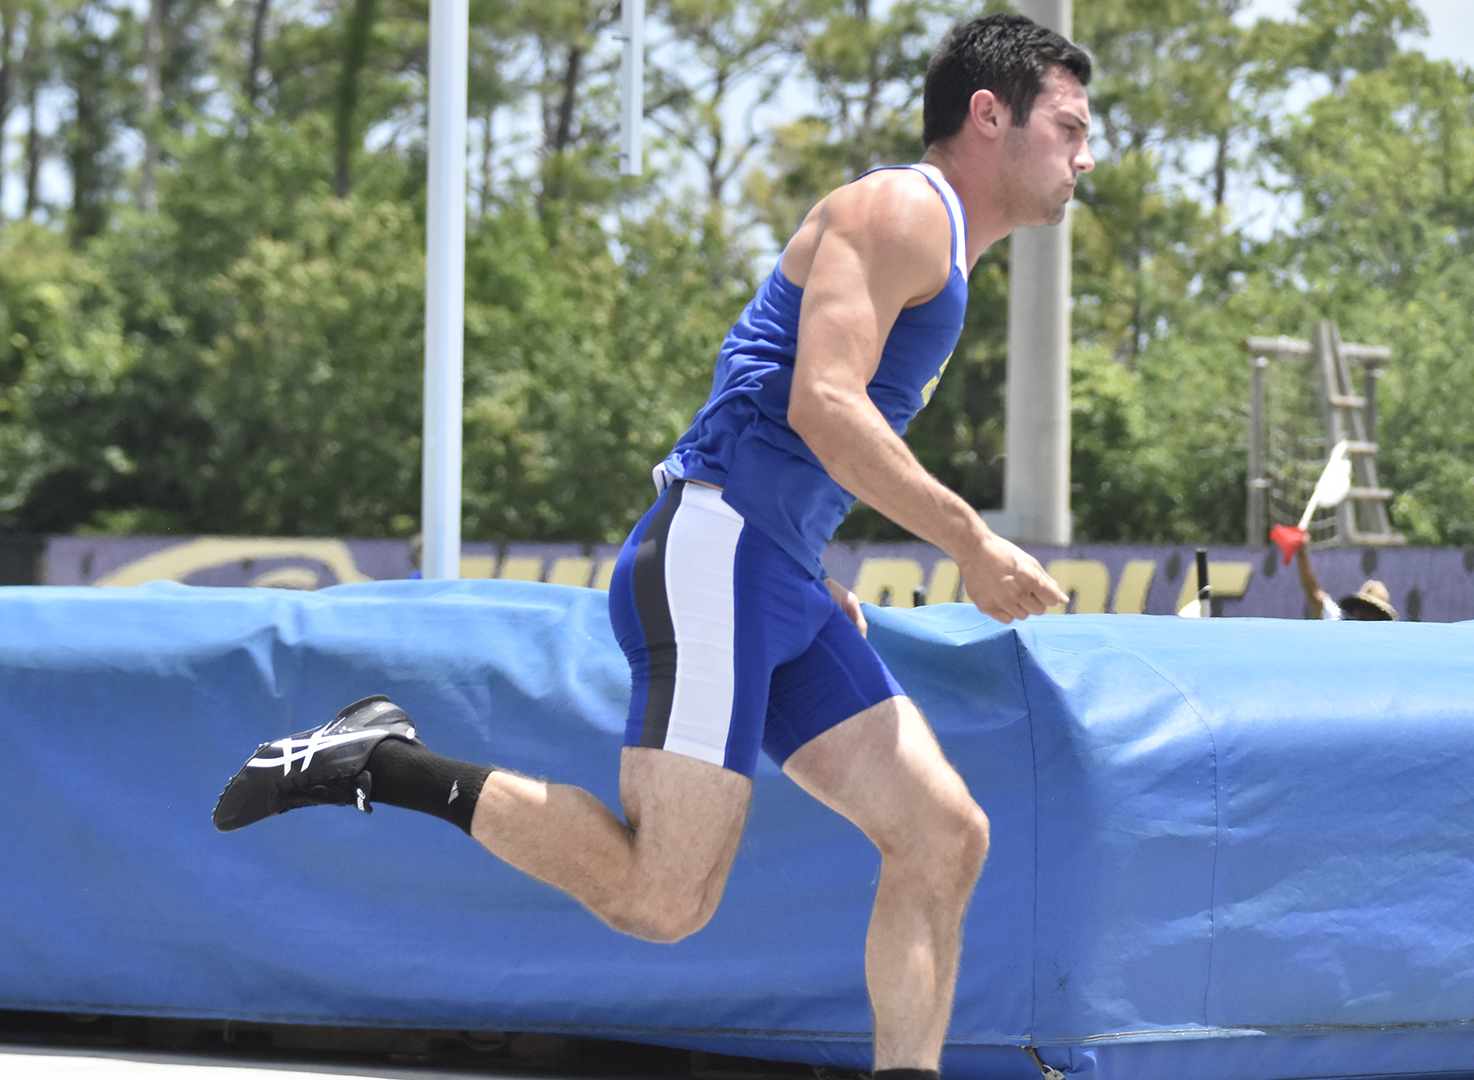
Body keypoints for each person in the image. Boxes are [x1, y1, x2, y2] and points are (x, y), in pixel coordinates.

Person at [212, 16, 1089, 1080]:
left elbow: (788, 426)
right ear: (989, 116)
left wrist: (814, 570)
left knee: (946, 835)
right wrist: (971, 543)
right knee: (660, 901)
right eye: (1071, 126)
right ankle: (378, 763)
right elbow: (820, 405)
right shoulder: (903, 207)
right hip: (716, 558)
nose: (1085, 155)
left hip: (774, 575)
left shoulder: (942, 247)